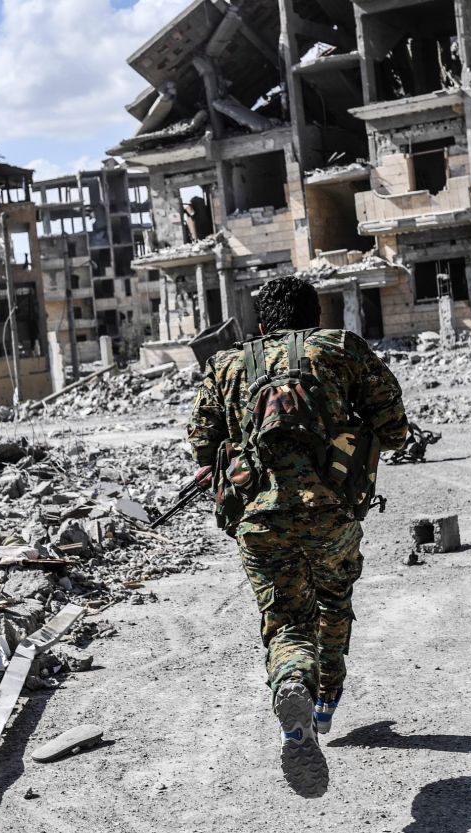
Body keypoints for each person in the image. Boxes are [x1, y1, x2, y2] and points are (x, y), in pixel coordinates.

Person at [187, 276, 408, 796]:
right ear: (316, 315)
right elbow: (395, 429)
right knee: (333, 600)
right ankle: (327, 699)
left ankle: (293, 691)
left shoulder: (227, 364)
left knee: (286, 621)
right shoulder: (339, 348)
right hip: (330, 512)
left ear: (261, 325)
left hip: (260, 522)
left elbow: (202, 446)